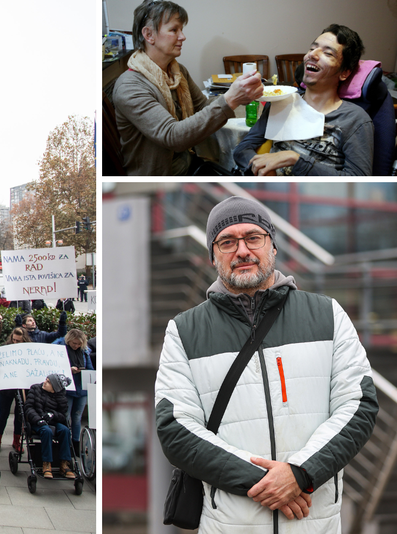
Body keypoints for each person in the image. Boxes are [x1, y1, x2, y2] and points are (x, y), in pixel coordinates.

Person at [155, 196, 378, 529]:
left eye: (253, 238)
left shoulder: (328, 315)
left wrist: (301, 473)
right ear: (213, 255)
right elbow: (175, 428)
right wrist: (271, 482)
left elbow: (358, 406)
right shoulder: (184, 331)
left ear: (272, 247)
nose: (242, 250)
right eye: (227, 242)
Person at [112, 0, 263, 175]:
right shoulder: (130, 86)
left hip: (189, 163)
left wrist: (239, 97)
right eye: (174, 30)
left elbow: (204, 107)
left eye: (181, 30)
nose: (182, 36)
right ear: (149, 35)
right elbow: (173, 136)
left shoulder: (177, 71)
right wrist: (230, 100)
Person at [233, 25, 373, 176]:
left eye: (327, 53)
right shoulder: (281, 103)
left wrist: (295, 160)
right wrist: (264, 171)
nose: (313, 55)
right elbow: (242, 150)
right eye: (312, 48)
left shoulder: (355, 120)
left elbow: (359, 180)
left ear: (344, 73)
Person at [24, 374, 76, 479]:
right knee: (46, 431)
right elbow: (28, 408)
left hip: (53, 421)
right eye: (46, 380)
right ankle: (46, 463)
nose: (44, 382)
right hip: (37, 422)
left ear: (54, 389)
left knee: (65, 430)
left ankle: (64, 463)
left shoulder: (60, 396)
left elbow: (62, 415)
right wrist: (38, 420)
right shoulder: (35, 389)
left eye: (48, 382)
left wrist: (52, 414)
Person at [0, 327, 30, 453]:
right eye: (13, 340)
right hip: (7, 386)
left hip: (21, 386)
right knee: (3, 413)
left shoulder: (28, 351)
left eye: (18, 341)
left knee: (20, 414)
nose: (15, 342)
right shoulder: (6, 349)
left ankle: (16, 441)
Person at [61, 329, 93, 446]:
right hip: (68, 388)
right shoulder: (63, 350)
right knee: (66, 415)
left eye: (79, 344)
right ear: (69, 341)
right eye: (74, 343)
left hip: (81, 388)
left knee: (77, 416)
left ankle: (75, 441)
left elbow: (90, 368)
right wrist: (69, 370)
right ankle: (65, 441)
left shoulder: (84, 351)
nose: (76, 346)